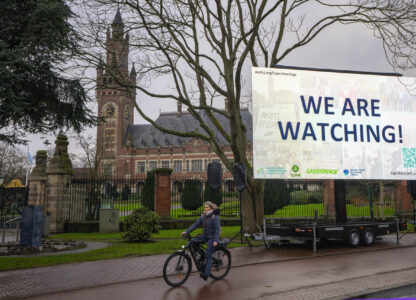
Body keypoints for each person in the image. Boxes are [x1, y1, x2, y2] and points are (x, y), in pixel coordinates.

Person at [181, 201, 220, 281]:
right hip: (205, 235)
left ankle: (206, 274)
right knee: (192, 242)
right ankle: (202, 255)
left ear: (211, 208)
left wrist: (215, 240)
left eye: (207, 207)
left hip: (212, 237)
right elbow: (195, 225)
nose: (205, 209)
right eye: (204, 207)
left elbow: (217, 229)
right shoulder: (203, 216)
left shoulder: (215, 216)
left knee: (209, 254)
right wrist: (186, 232)